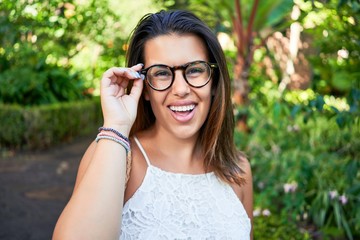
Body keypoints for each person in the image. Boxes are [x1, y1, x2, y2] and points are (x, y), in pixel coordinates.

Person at [53, 9, 253, 240]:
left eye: (195, 70)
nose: (180, 89)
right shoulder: (118, 155)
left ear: (214, 82)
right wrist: (117, 124)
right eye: (161, 73)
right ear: (145, 87)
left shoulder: (238, 169)